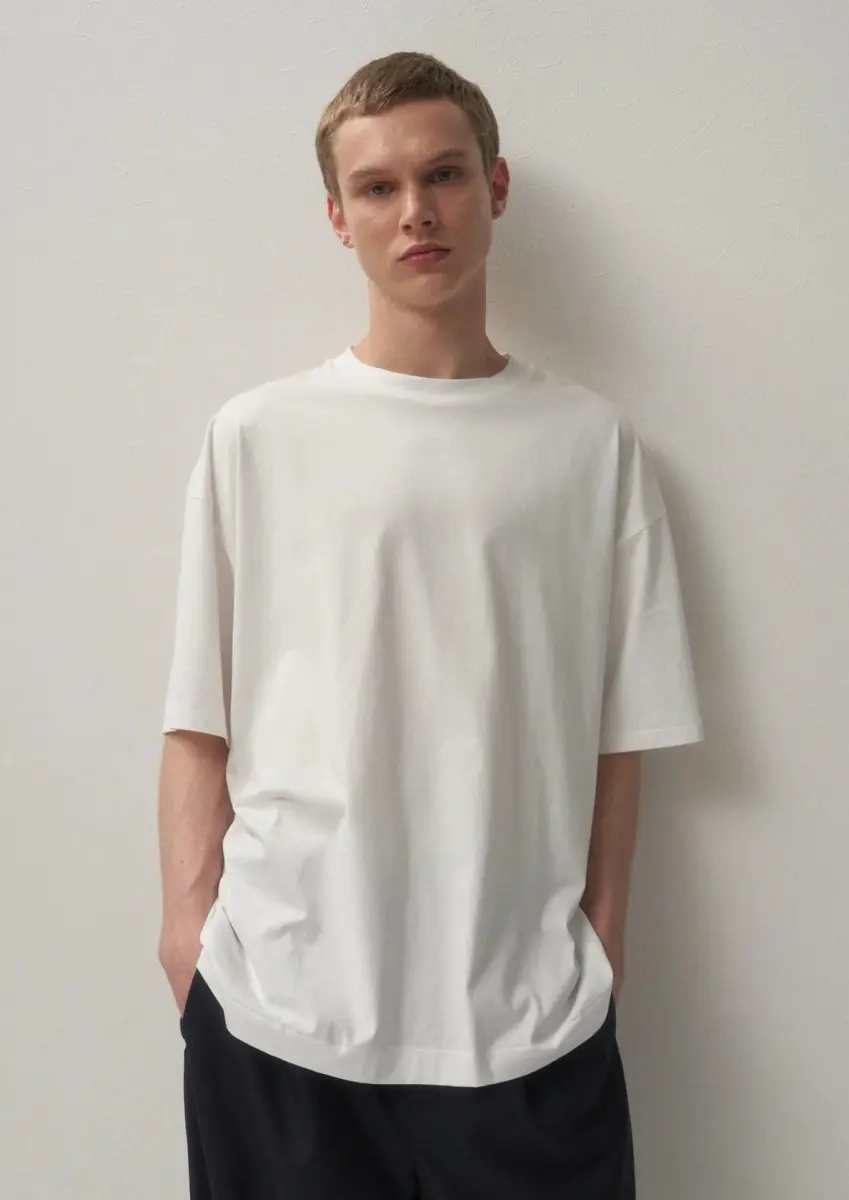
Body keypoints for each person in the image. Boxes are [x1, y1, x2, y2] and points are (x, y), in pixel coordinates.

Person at [157, 49, 704, 1200]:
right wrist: (189, 937)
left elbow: (625, 735)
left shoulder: (591, 447)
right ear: (338, 216)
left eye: (444, 174)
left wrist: (603, 948)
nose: (416, 211)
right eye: (378, 186)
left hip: (528, 1024)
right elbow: (199, 716)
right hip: (277, 1010)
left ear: (494, 188)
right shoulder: (257, 436)